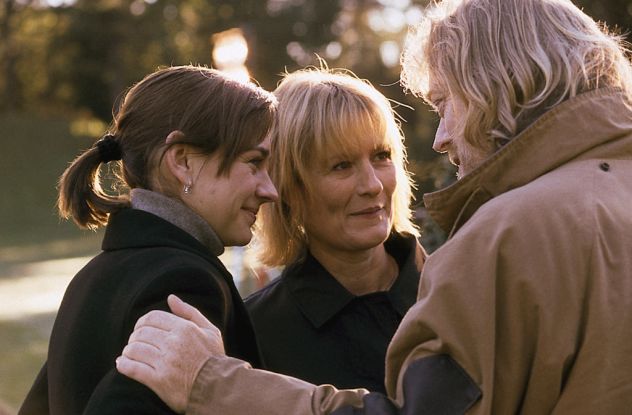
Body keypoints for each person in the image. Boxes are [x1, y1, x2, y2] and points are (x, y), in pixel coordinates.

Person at [116, 0, 632, 413]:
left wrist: (216, 386)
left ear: (497, 86)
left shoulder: (506, 237)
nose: (442, 137)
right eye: (339, 165)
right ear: (288, 186)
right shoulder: (254, 323)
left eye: (444, 103)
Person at [18, 65, 278, 415]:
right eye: (254, 162)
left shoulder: (93, 275)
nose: (270, 190)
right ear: (183, 161)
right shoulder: (184, 284)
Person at [244, 68, 424, 393]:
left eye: (382, 156)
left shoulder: (457, 288)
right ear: (290, 188)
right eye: (341, 166)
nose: (372, 185)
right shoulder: (256, 333)